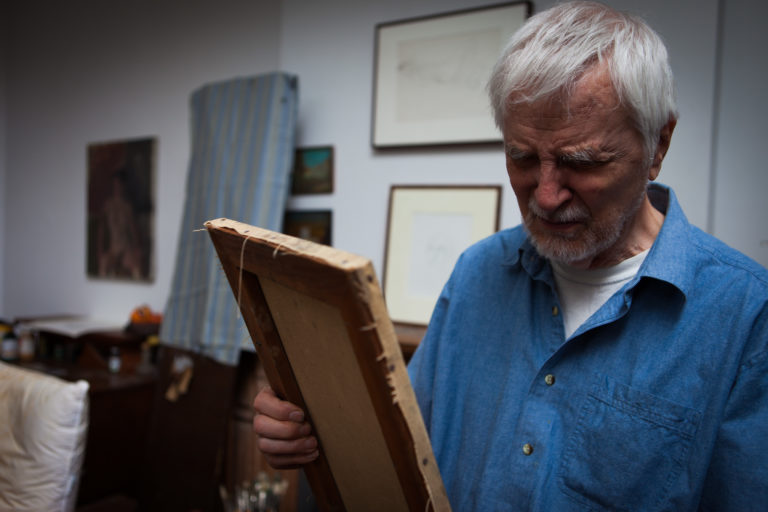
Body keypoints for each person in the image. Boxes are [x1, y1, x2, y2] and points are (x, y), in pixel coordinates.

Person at [252, 1, 768, 510]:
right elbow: (403, 453)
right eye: (521, 157)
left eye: (580, 162)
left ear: (659, 144)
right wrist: (313, 434)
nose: (544, 196)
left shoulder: (745, 316)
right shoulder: (477, 272)